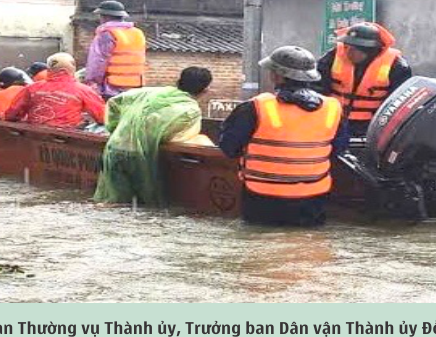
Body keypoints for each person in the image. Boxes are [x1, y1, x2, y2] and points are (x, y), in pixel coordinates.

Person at [216, 46, 342, 227]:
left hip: (263, 197)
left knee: (261, 246)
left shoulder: (255, 107)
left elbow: (229, 147)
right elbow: (339, 148)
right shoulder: (333, 108)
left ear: (277, 76)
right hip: (313, 198)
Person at [93, 65, 213, 206]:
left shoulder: (148, 92)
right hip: (141, 156)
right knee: (142, 206)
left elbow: (114, 102)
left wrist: (116, 128)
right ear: (205, 91)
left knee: (113, 201)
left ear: (177, 81)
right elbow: (176, 138)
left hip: (115, 148)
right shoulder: (190, 110)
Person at [318, 20, 411, 139]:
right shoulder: (332, 57)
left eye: (355, 49)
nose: (348, 52)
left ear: (370, 50)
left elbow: (400, 103)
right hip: (334, 121)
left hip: (372, 125)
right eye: (347, 46)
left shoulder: (396, 66)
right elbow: (317, 87)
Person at [2, 52, 107, 129]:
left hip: (34, 136)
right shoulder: (84, 90)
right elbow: (103, 117)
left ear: (49, 69)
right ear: (72, 69)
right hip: (69, 139)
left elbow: (11, 115)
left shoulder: (31, 88)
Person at [82, 0, 147, 98]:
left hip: (112, 87)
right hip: (135, 86)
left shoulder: (107, 34)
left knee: (110, 113)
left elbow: (98, 61)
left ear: (105, 16)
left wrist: (91, 81)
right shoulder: (137, 33)